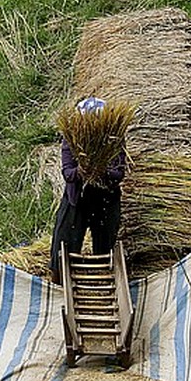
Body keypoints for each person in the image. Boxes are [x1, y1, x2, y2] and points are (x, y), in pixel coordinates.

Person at [49, 97, 126, 284]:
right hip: (78, 199)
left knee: (105, 245)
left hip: (105, 200)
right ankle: (60, 280)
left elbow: (119, 173)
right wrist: (80, 172)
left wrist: (102, 173)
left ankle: (104, 279)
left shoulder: (114, 138)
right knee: (63, 241)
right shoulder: (72, 137)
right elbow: (67, 171)